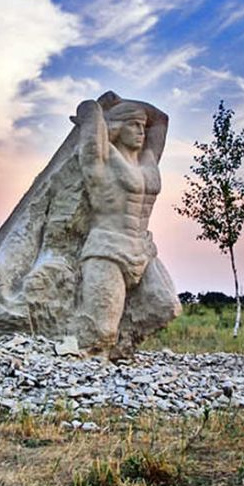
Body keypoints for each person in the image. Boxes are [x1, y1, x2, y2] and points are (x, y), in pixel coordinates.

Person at [71, 91, 180, 357]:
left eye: (143, 126)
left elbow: (161, 120)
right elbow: (90, 115)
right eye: (133, 124)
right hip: (108, 248)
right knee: (102, 331)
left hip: (143, 248)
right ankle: (83, 356)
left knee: (167, 306)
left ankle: (122, 348)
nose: (141, 131)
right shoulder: (101, 162)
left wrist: (125, 105)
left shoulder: (148, 160)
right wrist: (95, 111)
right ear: (115, 128)